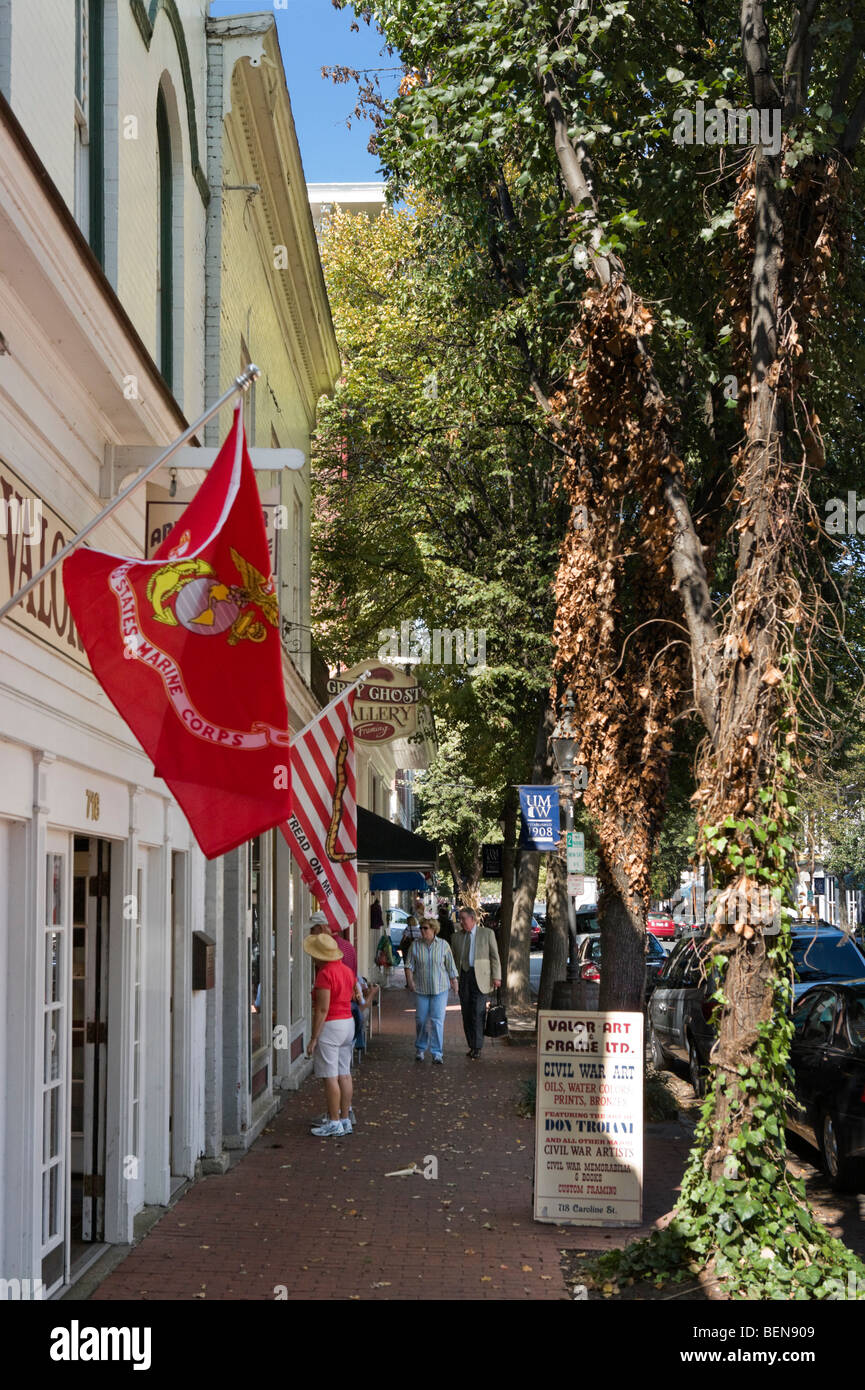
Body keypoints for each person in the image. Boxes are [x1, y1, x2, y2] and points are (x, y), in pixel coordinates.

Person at [304, 933, 359, 1137]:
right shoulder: (346, 971)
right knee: (344, 1073)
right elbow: (354, 993)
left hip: (331, 1026)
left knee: (330, 1076)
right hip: (348, 1023)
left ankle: (334, 1121)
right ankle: (345, 1118)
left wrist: (313, 1038)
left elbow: (322, 1009)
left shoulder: (325, 974)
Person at [450, 906, 502, 1059]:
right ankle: (471, 1044)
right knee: (466, 1012)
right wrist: (453, 978)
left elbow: (494, 956)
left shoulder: (487, 934)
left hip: (481, 977)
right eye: (460, 919)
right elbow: (452, 959)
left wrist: (497, 976)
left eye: (463, 919)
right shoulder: (456, 937)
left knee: (478, 1012)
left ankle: (477, 1046)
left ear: (472, 919)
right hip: (464, 977)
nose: (461, 922)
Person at [404, 918, 458, 1065]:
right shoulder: (415, 946)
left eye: (425, 928)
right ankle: (420, 1048)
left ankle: (437, 1052)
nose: (422, 930)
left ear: (433, 929)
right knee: (421, 1020)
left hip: (440, 989)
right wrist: (410, 981)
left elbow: (450, 966)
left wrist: (455, 983)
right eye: (421, 928)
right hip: (421, 989)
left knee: (437, 1021)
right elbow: (408, 965)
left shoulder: (443, 945)